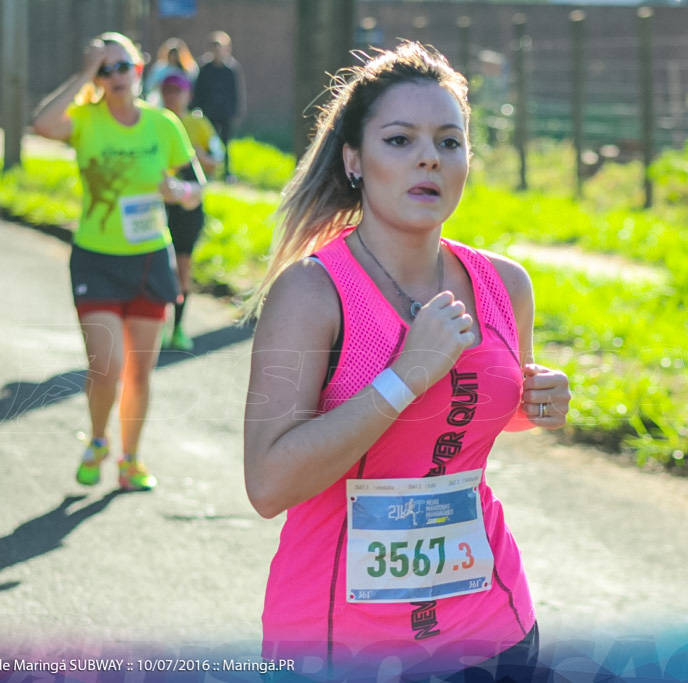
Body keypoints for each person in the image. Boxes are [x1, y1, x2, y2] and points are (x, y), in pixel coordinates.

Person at [242, 42, 570, 680]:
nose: (429, 157)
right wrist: (405, 376)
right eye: (400, 139)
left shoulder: (506, 284)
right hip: (339, 640)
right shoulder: (312, 293)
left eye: (450, 142)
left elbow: (474, 418)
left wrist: (536, 403)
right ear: (354, 160)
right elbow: (268, 484)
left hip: (492, 626)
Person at [32, 32, 206, 491]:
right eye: (104, 69)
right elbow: (42, 124)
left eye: (122, 66)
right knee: (106, 364)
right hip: (97, 260)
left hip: (150, 258)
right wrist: (83, 75)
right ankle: (97, 439)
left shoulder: (163, 124)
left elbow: (197, 188)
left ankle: (131, 458)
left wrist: (180, 192)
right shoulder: (84, 121)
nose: (115, 76)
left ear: (139, 69)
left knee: (140, 374)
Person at [157, 72, 222, 351]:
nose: (172, 96)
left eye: (177, 90)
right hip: (158, 205)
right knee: (159, 267)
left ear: (188, 94)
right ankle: (157, 324)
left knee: (183, 267)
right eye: (167, 90)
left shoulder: (198, 123)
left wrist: (198, 155)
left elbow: (217, 161)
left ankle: (178, 328)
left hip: (188, 206)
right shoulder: (154, 121)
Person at [191, 30, 245, 182]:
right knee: (210, 142)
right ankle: (210, 170)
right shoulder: (205, 69)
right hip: (209, 111)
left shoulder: (231, 69)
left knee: (226, 142)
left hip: (225, 112)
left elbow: (235, 92)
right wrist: (197, 108)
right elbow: (199, 90)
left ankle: (227, 171)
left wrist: (236, 111)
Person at [143, 37, 199, 107]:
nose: (173, 57)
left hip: (182, 105)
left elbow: (193, 86)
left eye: (175, 54)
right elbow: (149, 86)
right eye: (171, 54)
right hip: (162, 104)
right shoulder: (160, 68)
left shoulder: (188, 68)